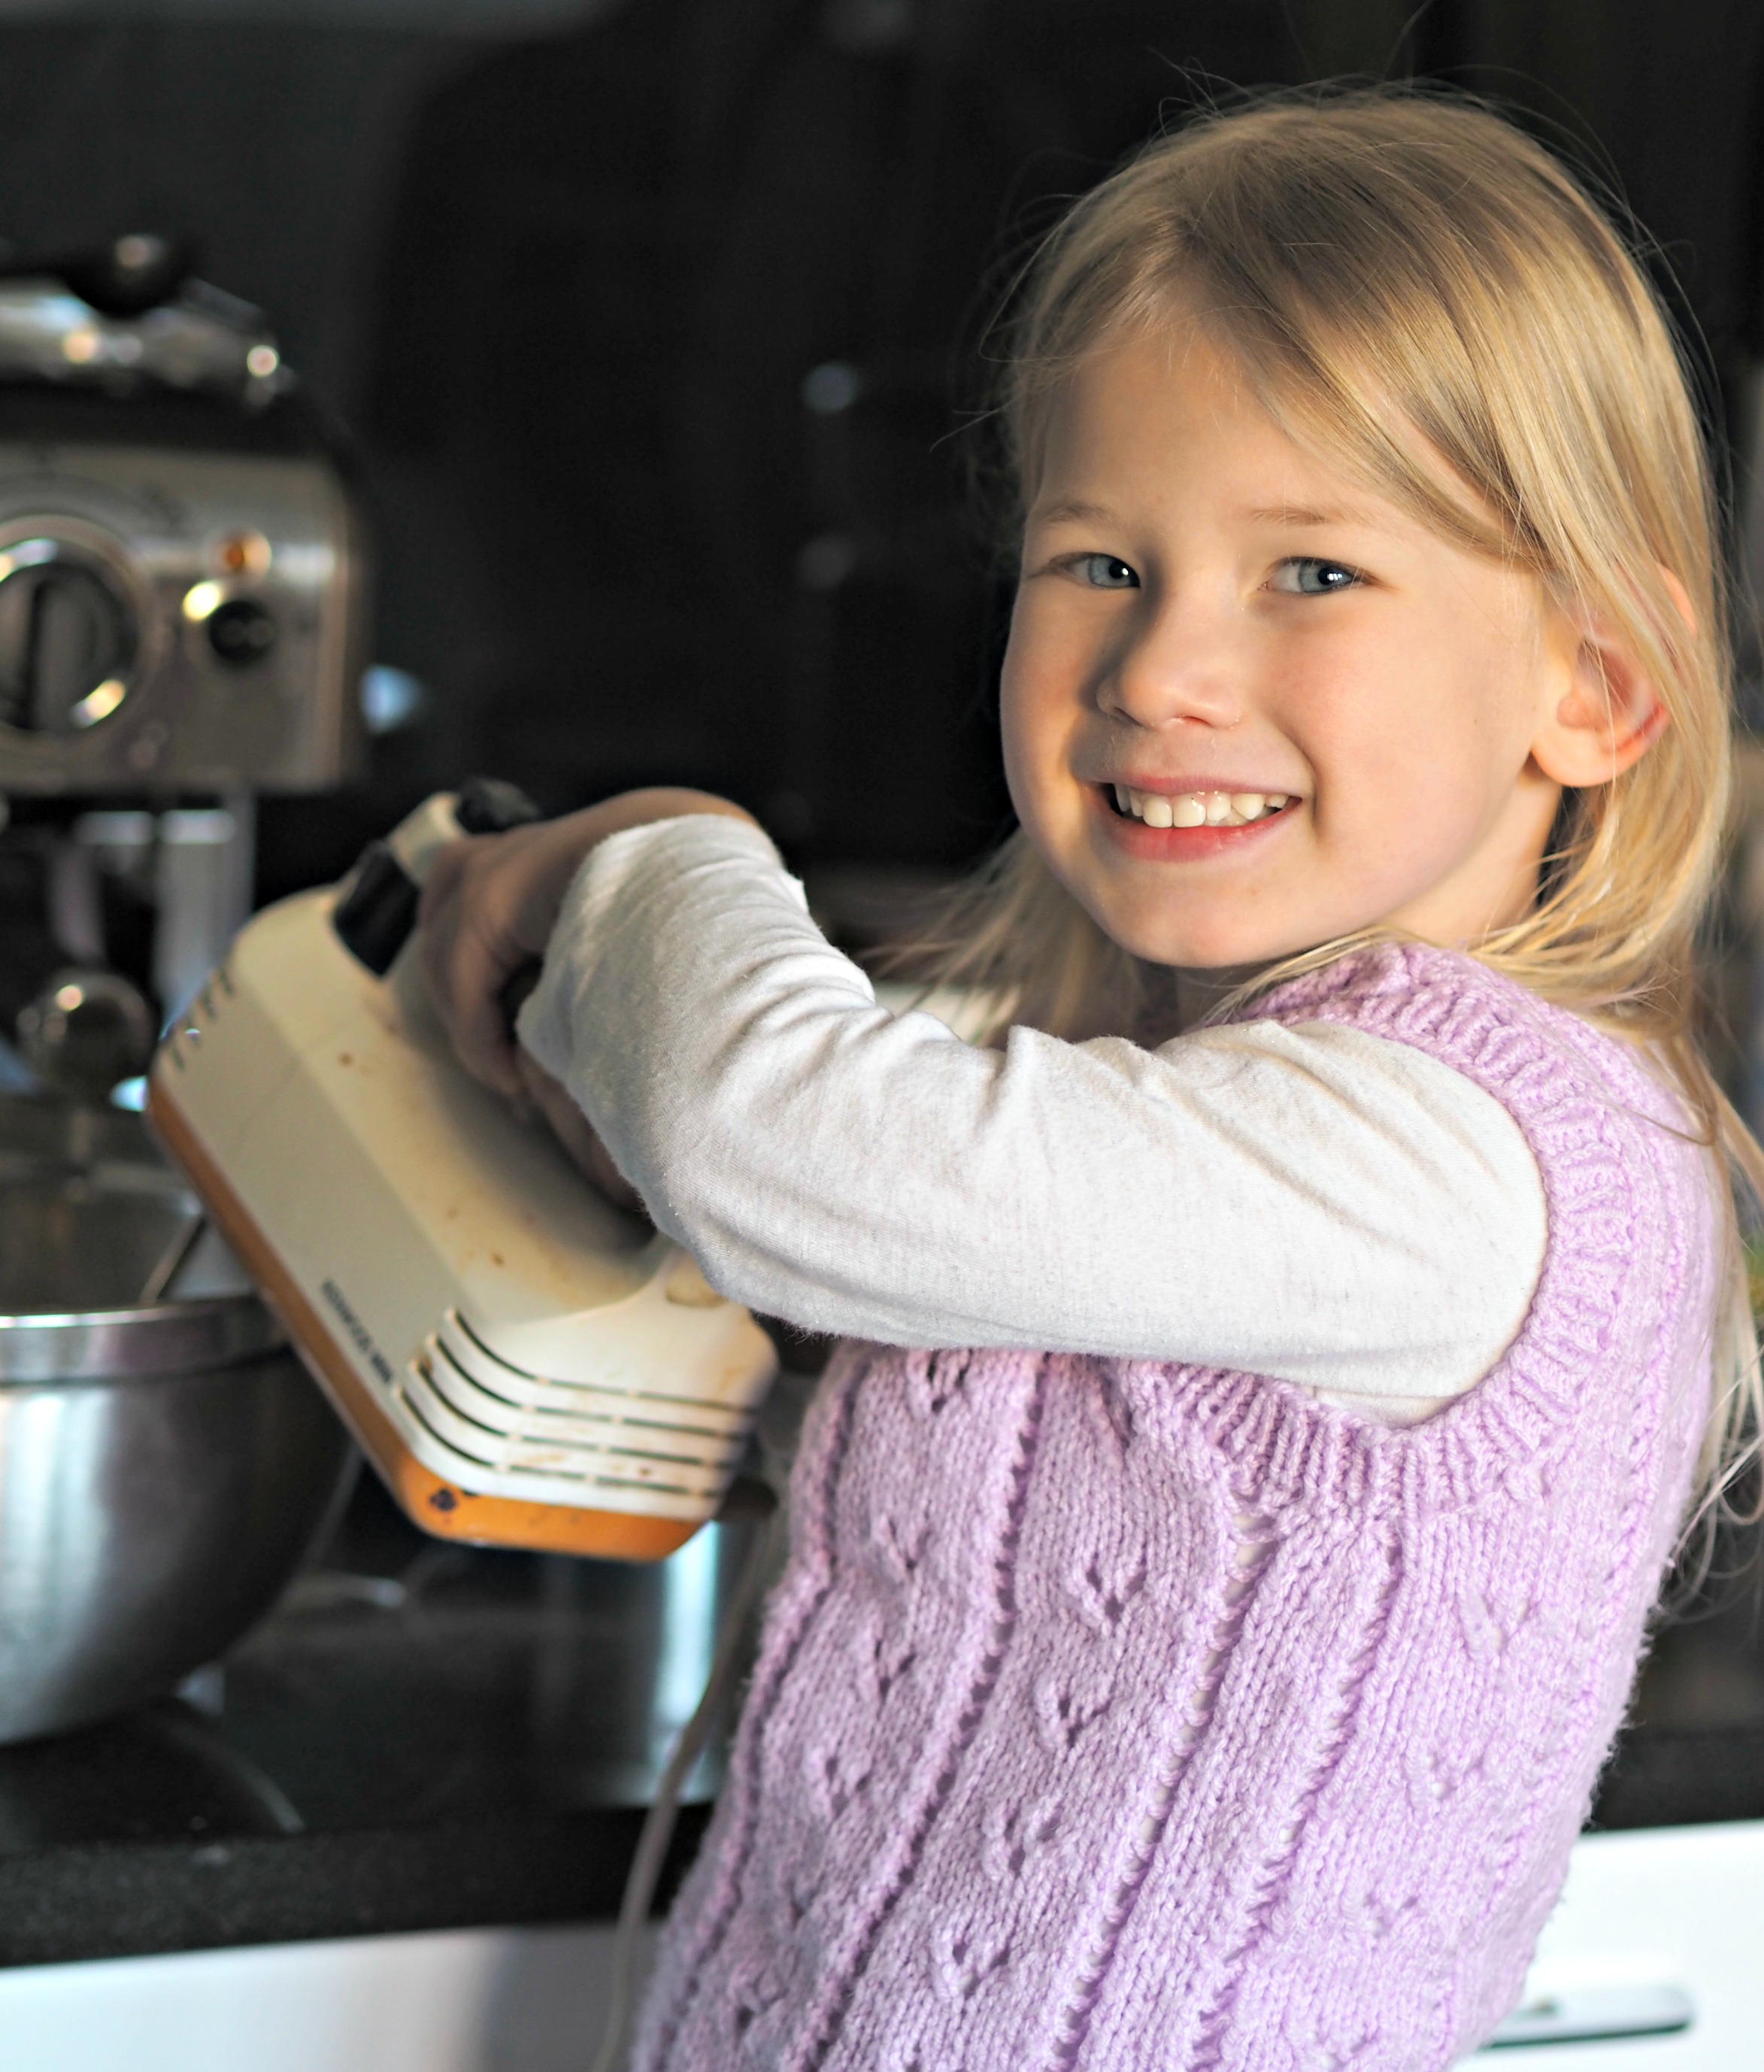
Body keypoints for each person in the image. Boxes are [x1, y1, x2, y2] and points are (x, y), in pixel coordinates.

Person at [418, 89, 1760, 2071]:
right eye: (1098, 564)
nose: (1156, 672)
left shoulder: (1462, 1150)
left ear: (1592, 687)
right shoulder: (1216, 1085)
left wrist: (656, 852)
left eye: (1309, 575)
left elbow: (770, 1126)